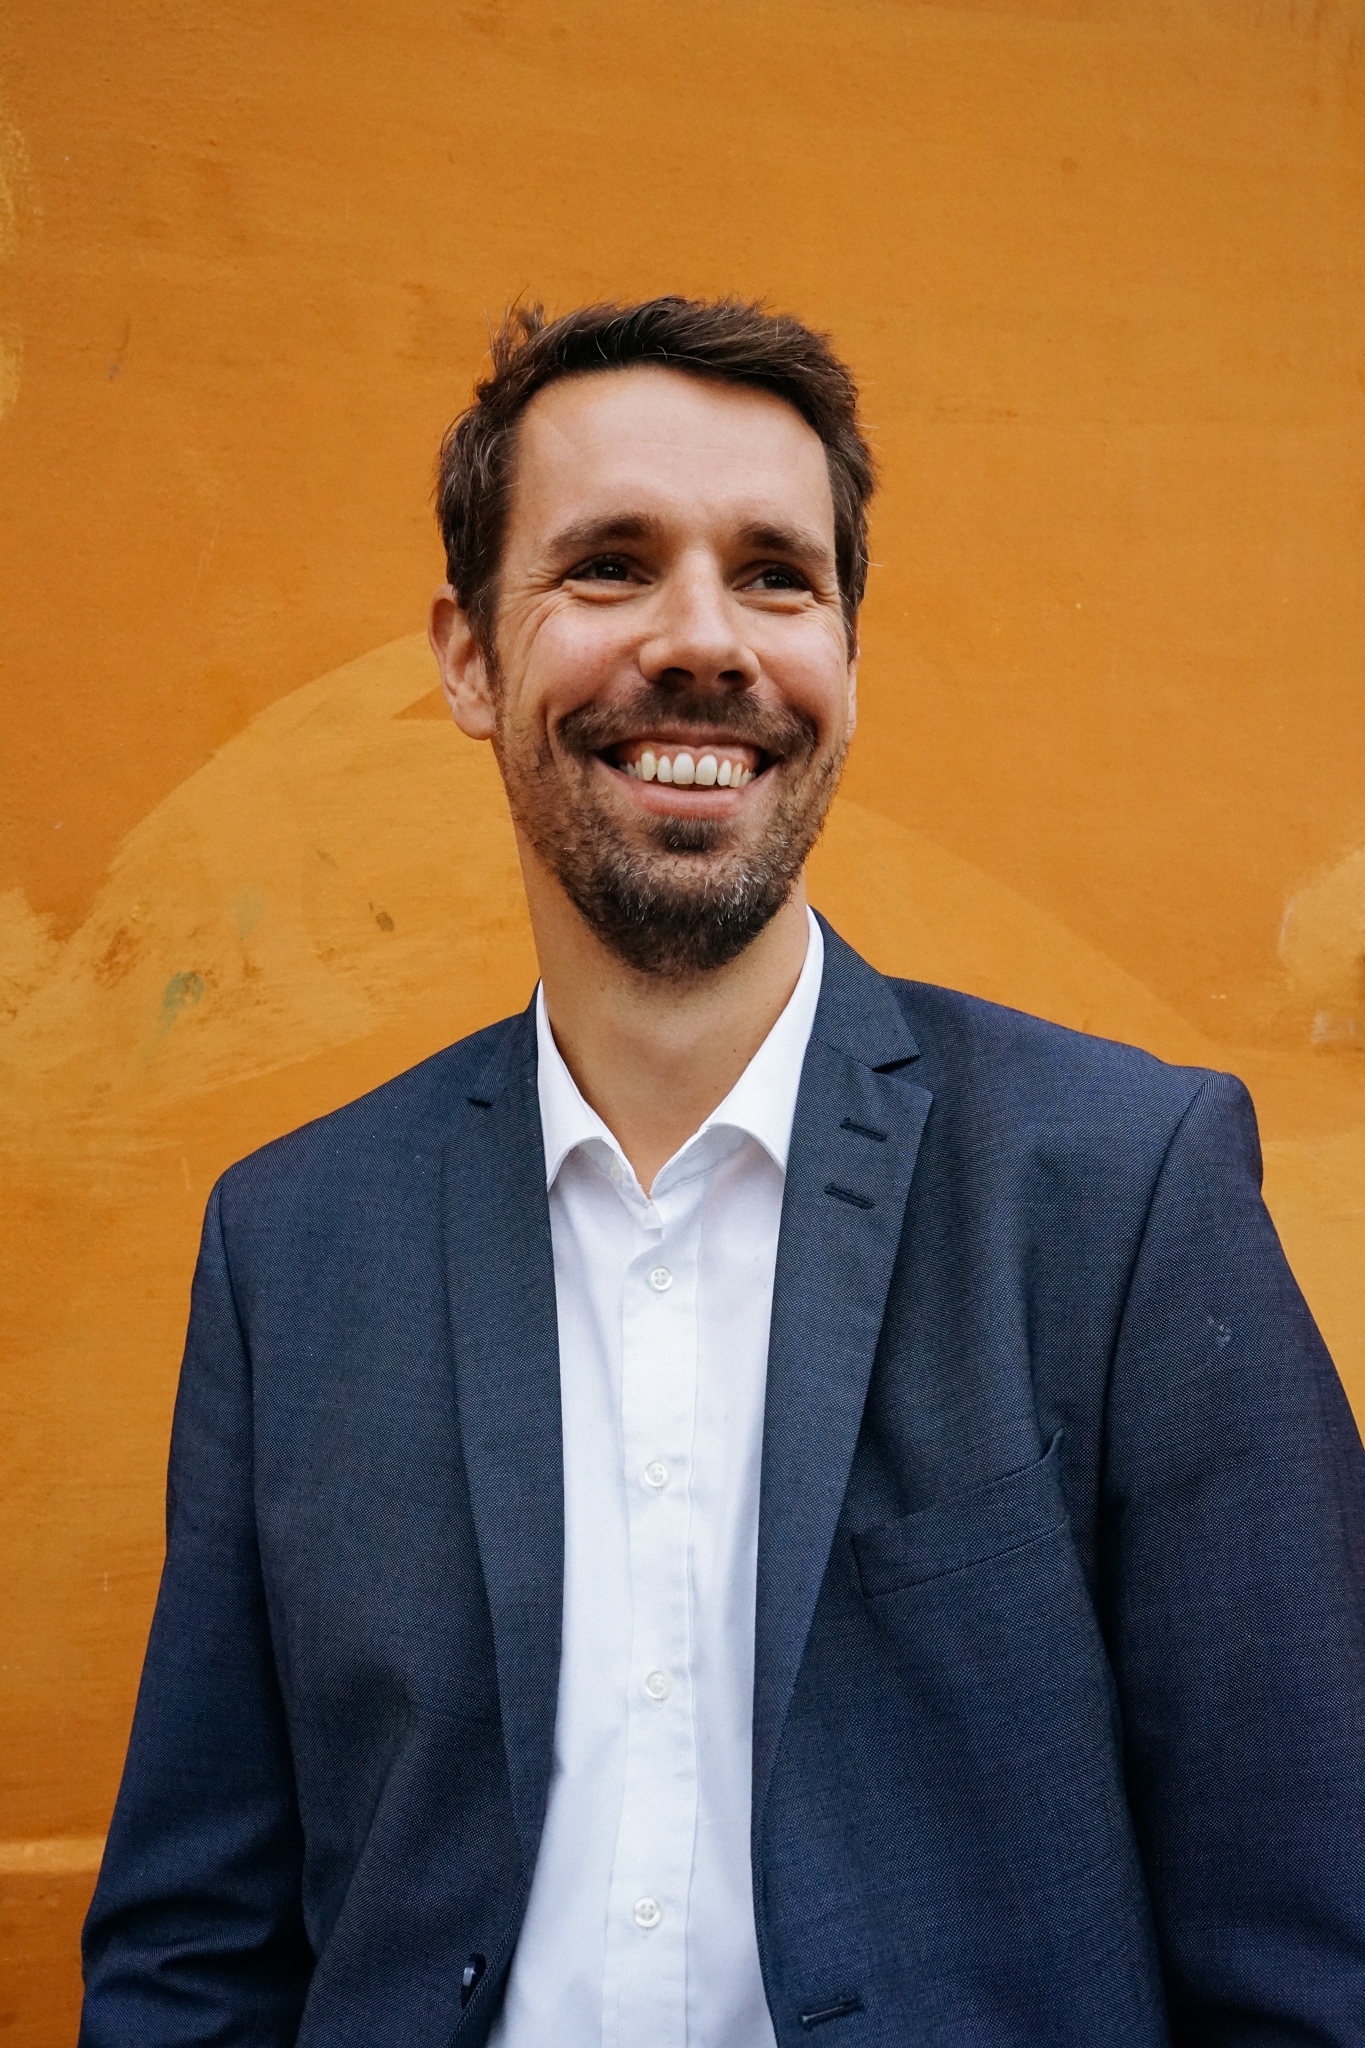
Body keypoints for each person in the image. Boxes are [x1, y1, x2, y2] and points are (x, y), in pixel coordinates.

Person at [80, 297, 1365, 2047]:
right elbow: (192, 1960)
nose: (702, 642)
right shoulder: (291, 1245)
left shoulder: (1120, 1190)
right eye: (609, 566)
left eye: (775, 577)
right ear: (466, 657)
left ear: (848, 656)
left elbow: (1309, 1948)